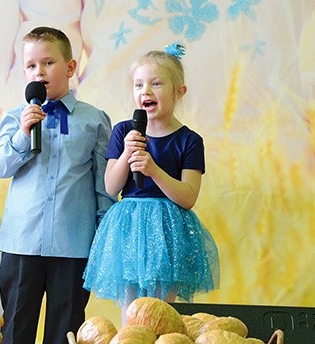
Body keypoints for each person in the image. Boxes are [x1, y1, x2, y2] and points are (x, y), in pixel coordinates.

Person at [0, 27, 115, 344]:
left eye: (48, 62)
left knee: (66, 324)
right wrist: (24, 134)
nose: (39, 71)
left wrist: (102, 237)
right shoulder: (15, 117)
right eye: (31, 65)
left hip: (72, 242)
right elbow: (0, 167)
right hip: (21, 240)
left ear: (71, 66)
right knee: (15, 323)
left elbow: (103, 185)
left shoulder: (94, 120)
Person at [82, 44, 220, 321]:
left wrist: (154, 170)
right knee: (131, 310)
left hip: (168, 230)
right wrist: (125, 154)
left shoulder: (189, 141)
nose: (145, 91)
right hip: (129, 227)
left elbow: (188, 196)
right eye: (138, 84)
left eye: (156, 84)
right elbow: (111, 186)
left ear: (179, 92)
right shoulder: (124, 131)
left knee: (161, 312)